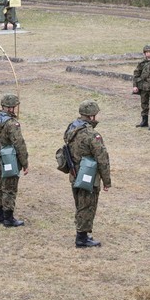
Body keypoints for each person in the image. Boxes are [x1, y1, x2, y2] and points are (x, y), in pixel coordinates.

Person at [64, 100, 111, 248]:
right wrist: (107, 181)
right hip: (88, 174)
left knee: (80, 203)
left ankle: (82, 234)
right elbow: (102, 158)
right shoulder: (92, 134)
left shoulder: (72, 128)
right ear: (91, 116)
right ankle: (82, 239)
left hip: (74, 172)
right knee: (87, 205)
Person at [0, 94, 28, 227]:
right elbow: (19, 144)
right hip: (9, 158)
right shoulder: (12, 123)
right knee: (10, 188)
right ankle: (8, 218)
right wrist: (25, 163)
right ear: (11, 107)